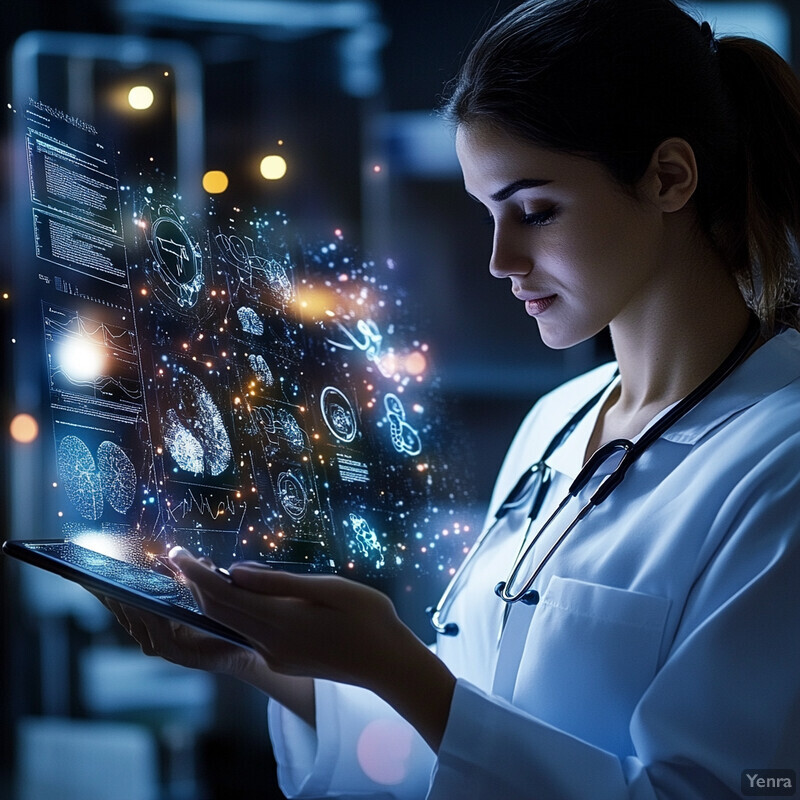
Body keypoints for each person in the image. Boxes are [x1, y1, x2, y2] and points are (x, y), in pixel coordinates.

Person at [101, 0, 800, 797]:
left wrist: (395, 662)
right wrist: (271, 661)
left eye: (535, 211)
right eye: (489, 214)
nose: (501, 259)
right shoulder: (557, 424)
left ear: (669, 177)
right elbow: (461, 735)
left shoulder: (782, 462)